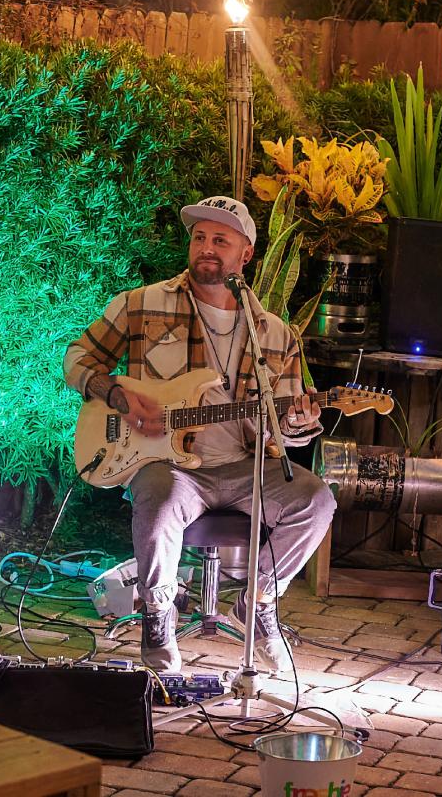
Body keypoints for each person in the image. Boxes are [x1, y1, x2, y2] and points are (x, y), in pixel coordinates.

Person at [64, 195, 336, 675]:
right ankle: (157, 615)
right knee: (160, 494)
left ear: (245, 255)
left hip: (248, 466)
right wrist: (120, 399)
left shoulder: (274, 333)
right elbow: (78, 359)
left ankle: (258, 604)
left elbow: (288, 433)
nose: (206, 248)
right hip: (168, 465)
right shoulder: (140, 304)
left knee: (317, 500)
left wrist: (296, 423)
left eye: (220, 240)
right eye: (199, 237)